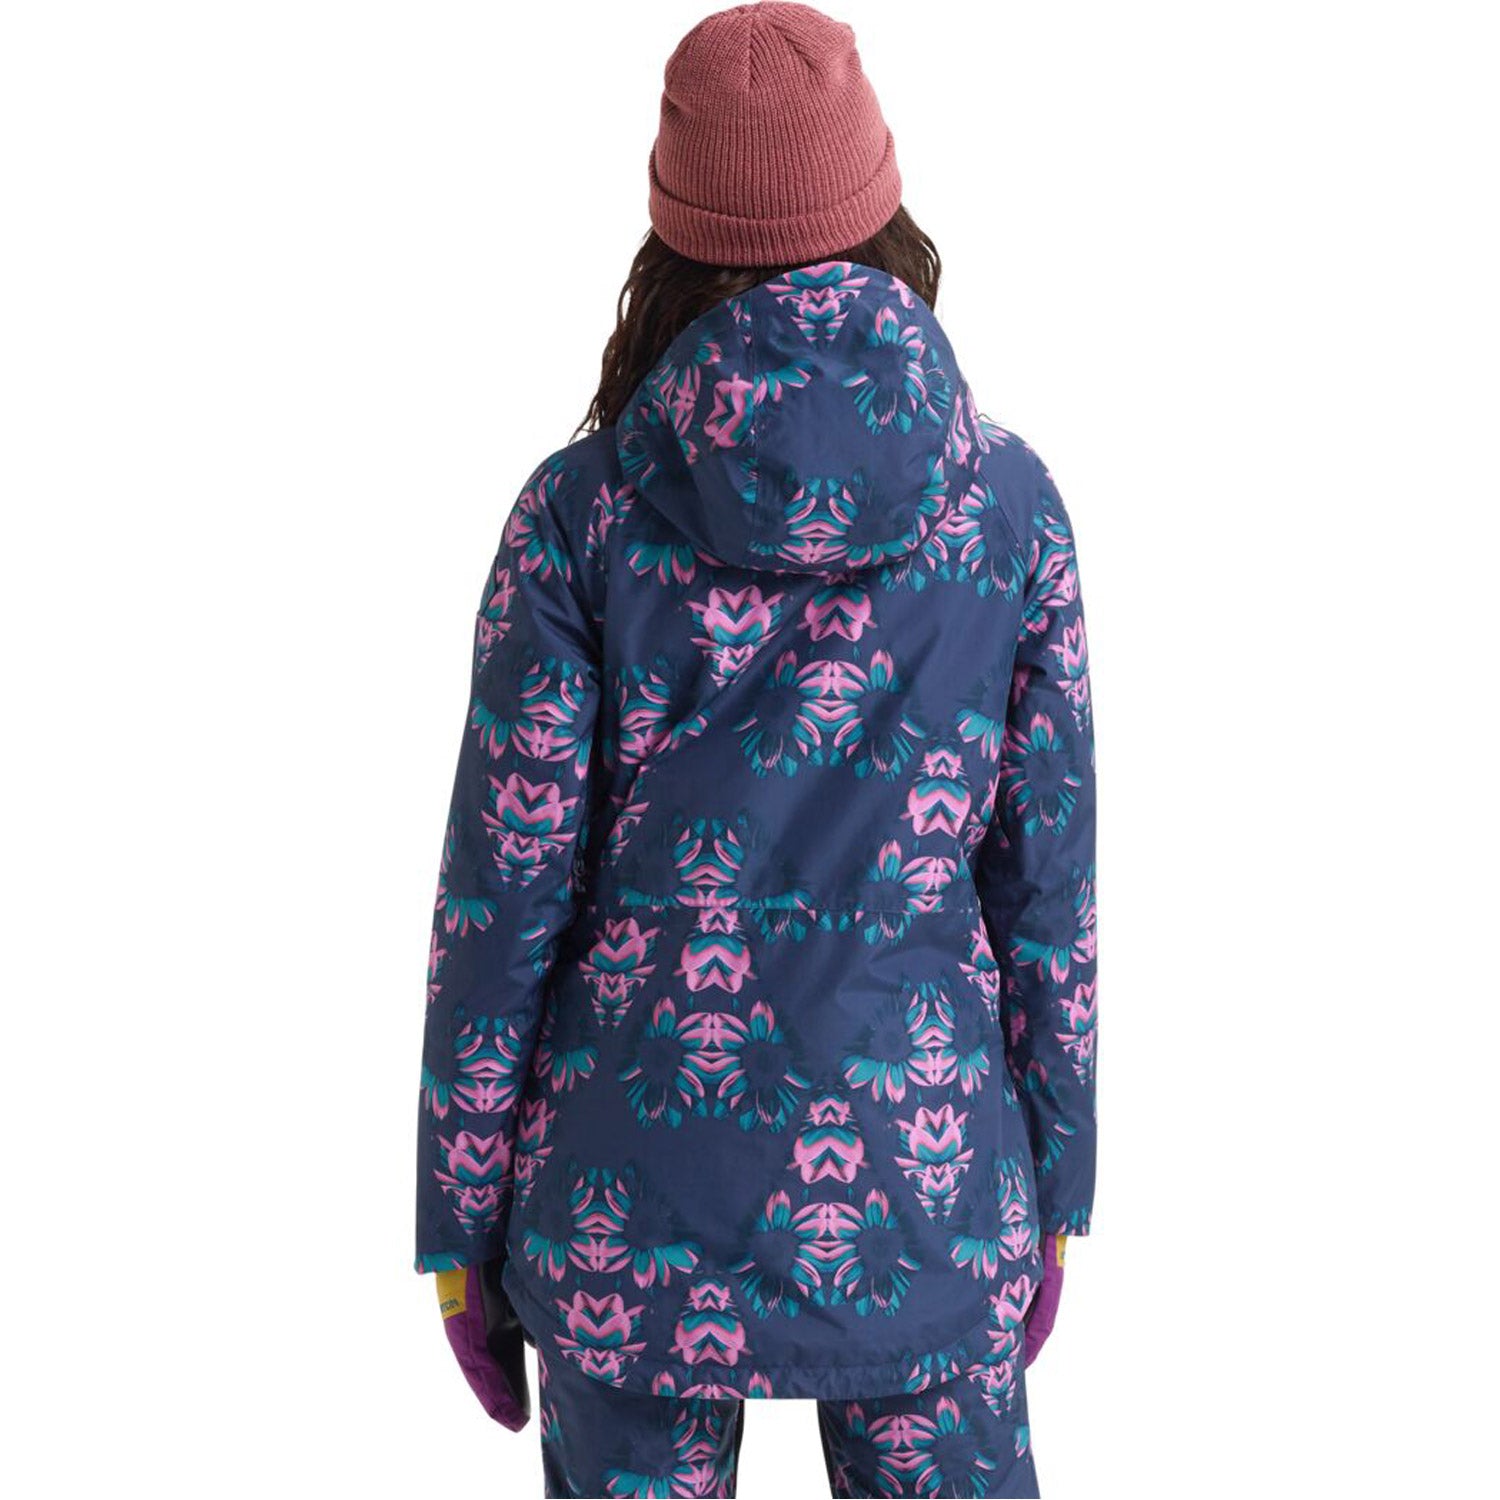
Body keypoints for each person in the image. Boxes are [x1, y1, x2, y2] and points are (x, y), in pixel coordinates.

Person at [413, 4, 1098, 1495]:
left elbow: (501, 904)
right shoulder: (1009, 509)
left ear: (670, 237)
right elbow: (1047, 892)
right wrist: (1058, 1187)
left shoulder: (577, 516)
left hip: (629, 1205)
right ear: (885, 210)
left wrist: (456, 1226)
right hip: (923, 1183)